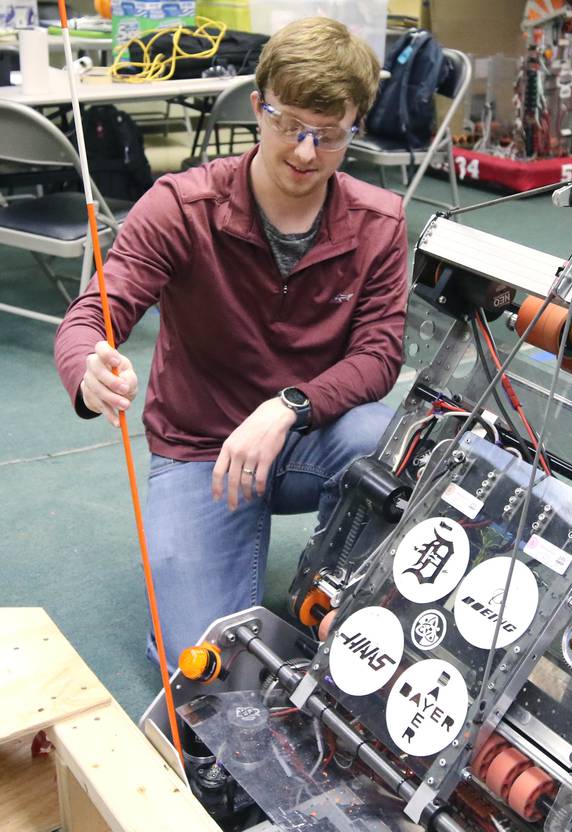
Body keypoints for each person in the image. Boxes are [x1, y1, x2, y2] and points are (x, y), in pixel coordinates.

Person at [54, 17, 408, 670]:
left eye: (328, 136)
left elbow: (380, 354)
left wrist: (289, 407)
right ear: (258, 107)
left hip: (305, 438)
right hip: (201, 451)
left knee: (384, 438)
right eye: (288, 125)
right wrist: (87, 366)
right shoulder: (180, 206)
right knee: (203, 671)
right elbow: (92, 315)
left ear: (354, 125)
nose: (305, 153)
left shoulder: (379, 223)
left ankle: (330, 592)